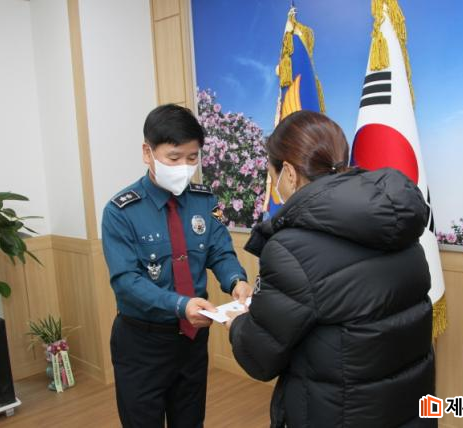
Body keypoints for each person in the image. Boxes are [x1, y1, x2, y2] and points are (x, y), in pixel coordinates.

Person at [226, 111, 436, 427]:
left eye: (272, 175)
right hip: (406, 411)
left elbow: (260, 357)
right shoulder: (399, 225)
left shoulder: (292, 248)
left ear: (288, 173)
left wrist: (238, 325)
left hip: (339, 414)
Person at [102, 104, 252, 428]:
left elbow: (220, 251)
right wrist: (180, 305)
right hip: (142, 344)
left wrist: (236, 281)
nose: (184, 167)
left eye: (192, 157)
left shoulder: (205, 200)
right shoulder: (120, 211)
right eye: (174, 158)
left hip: (192, 342)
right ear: (148, 152)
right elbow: (126, 281)